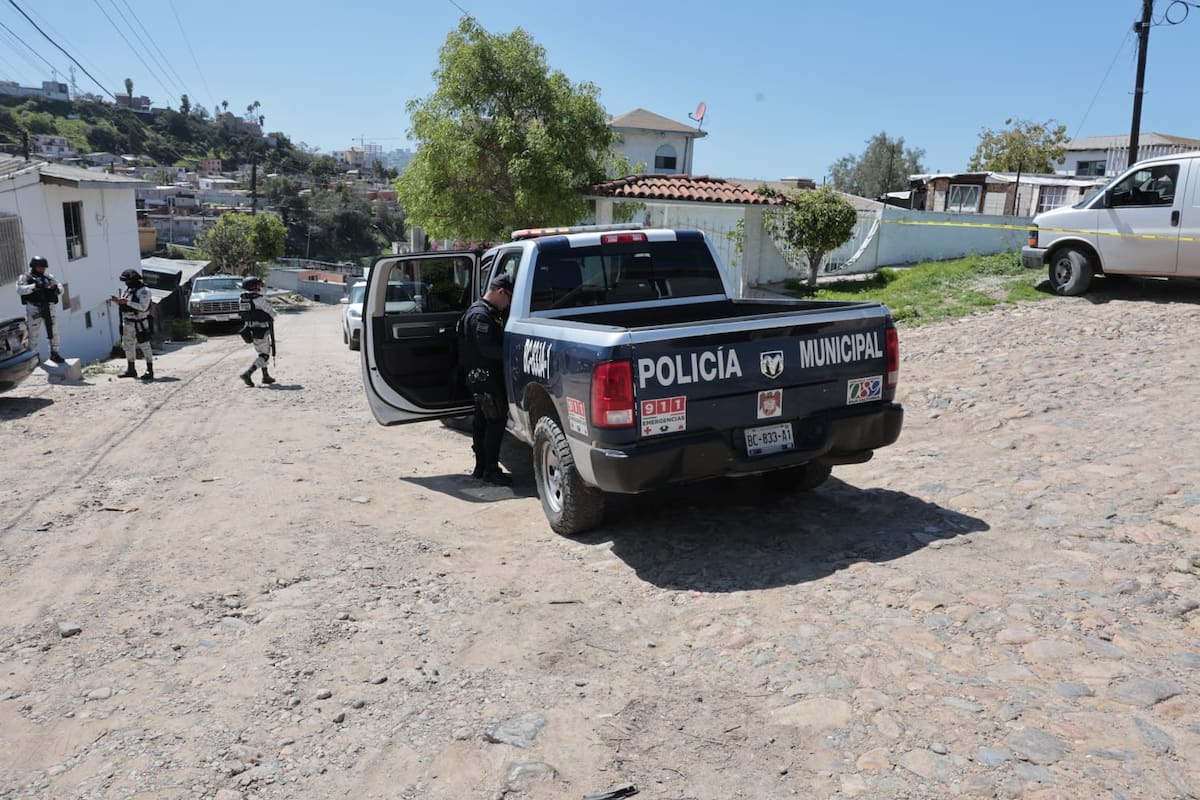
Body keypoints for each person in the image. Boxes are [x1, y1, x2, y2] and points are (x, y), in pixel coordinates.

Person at [457, 272, 514, 485]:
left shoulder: (482, 311)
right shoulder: (480, 315)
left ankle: (481, 467)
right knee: (495, 422)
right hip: (486, 377)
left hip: (480, 377)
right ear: (501, 292)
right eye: (509, 298)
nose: (508, 304)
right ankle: (490, 469)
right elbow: (487, 349)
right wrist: (511, 355)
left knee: (482, 421)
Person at [16, 256, 64, 364]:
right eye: (40, 267)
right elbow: (19, 290)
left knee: (53, 332)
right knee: (33, 335)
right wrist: (34, 286)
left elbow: (61, 288)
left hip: (49, 307)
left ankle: (54, 353)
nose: (43, 269)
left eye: (44, 267)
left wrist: (55, 288)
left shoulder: (49, 276)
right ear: (33, 266)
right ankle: (34, 357)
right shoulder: (25, 277)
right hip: (34, 309)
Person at [111, 268, 155, 381]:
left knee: (145, 345)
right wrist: (119, 302)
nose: (126, 283)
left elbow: (143, 307)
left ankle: (149, 370)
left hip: (140, 322)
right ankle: (131, 369)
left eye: (127, 280)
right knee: (128, 346)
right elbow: (126, 305)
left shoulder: (144, 291)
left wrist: (127, 302)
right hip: (127, 322)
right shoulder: (128, 290)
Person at [238, 276, 277, 387]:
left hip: (249, 329)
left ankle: (266, 376)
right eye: (258, 285)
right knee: (264, 355)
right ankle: (248, 373)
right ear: (253, 286)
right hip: (261, 328)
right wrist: (272, 312)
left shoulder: (242, 298)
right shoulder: (258, 299)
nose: (259, 286)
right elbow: (272, 312)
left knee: (261, 352)